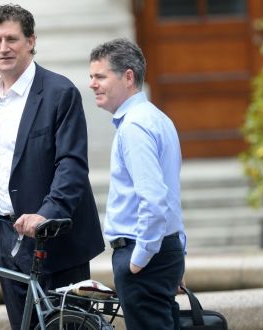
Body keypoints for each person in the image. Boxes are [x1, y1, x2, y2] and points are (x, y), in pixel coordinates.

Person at [0, 4, 105, 329]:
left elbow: (72, 167)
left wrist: (46, 214)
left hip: (55, 239)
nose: (3, 48)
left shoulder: (60, 92)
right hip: (8, 239)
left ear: (31, 41)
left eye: (12, 39)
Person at [88, 38, 186, 330]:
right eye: (91, 76)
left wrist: (138, 260)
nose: (92, 84)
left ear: (128, 77)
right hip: (160, 251)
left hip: (143, 255)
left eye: (100, 76)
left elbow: (155, 200)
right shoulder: (156, 118)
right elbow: (171, 196)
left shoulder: (135, 126)